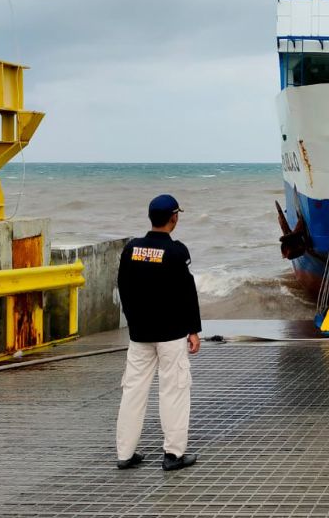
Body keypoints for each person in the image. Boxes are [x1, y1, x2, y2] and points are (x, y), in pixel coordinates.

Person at [115, 194, 202, 472]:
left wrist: (134, 322)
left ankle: (125, 453)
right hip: (172, 334)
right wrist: (193, 330)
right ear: (173, 218)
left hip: (139, 334)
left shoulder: (131, 249)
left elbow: (123, 288)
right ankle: (173, 455)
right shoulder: (177, 252)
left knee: (133, 391)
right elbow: (187, 293)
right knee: (174, 391)